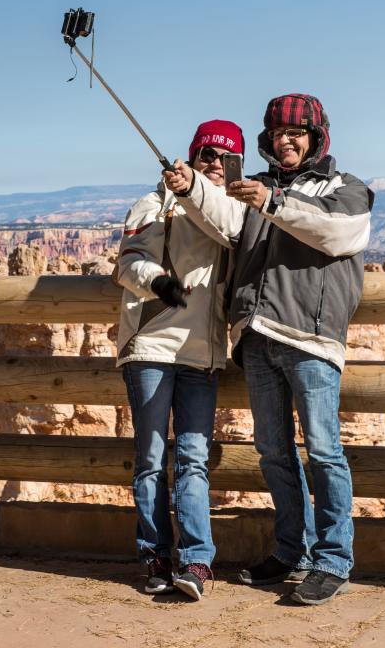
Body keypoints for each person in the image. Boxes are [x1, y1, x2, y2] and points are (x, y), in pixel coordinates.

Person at [164, 94, 374, 605]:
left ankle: (333, 559)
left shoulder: (345, 189)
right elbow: (227, 221)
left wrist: (272, 203)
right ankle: (292, 550)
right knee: (274, 453)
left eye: (296, 132)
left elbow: (337, 233)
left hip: (311, 338)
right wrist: (193, 188)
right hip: (257, 338)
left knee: (324, 452)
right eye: (278, 133)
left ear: (316, 136)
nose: (286, 140)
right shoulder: (258, 188)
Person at [115, 119, 244, 601]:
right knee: (151, 459)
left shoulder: (233, 208)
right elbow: (128, 261)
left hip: (203, 352)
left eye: (224, 157)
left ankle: (196, 562)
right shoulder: (153, 205)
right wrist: (159, 283)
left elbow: (232, 231)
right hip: (151, 345)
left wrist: (197, 191)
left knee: (192, 459)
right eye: (205, 154)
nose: (213, 163)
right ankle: (153, 554)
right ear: (190, 157)